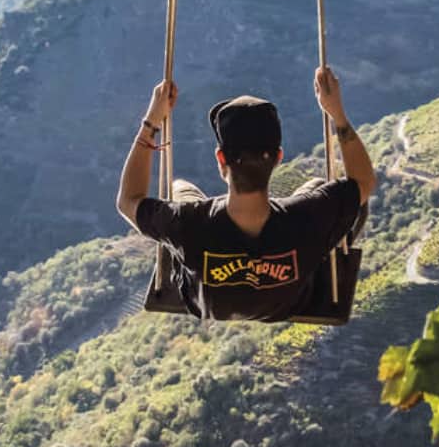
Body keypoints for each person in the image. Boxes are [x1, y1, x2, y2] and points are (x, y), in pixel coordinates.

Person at [116, 67, 376, 321]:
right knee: (331, 191)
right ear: (278, 158)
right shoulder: (307, 217)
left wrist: (152, 121)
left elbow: (128, 200)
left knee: (179, 188)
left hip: (204, 302)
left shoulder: (187, 222)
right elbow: (363, 181)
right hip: (285, 303)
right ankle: (329, 242)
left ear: (221, 159)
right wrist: (337, 114)